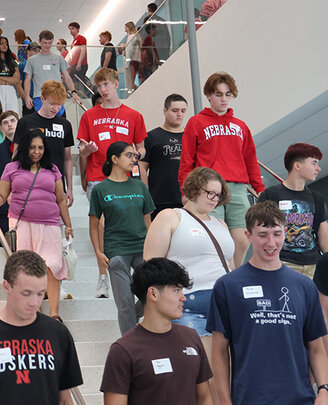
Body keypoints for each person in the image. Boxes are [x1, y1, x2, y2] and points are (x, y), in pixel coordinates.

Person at [207, 201, 328, 405]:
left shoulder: (304, 286)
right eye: (262, 235)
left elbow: (316, 347)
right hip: (249, 398)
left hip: (300, 398)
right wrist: (225, 401)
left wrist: (324, 390)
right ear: (248, 236)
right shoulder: (227, 286)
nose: (271, 243)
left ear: (285, 233)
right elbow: (219, 352)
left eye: (276, 234)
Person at [0, 250, 83, 404]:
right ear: (6, 286)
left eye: (40, 293)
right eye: (26, 293)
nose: (34, 302)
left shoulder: (58, 334)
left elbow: (65, 399)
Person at [143, 167, 234, 384]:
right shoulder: (171, 216)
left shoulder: (220, 223)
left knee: (224, 378)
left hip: (224, 305)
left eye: (218, 195)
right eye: (208, 192)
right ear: (194, 189)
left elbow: (231, 266)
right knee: (199, 377)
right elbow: (151, 264)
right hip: (189, 304)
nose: (213, 199)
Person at [0, 129, 74, 320]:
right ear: (25, 148)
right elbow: (1, 194)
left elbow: (60, 200)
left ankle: (54, 313)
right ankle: (35, 312)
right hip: (21, 223)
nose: (36, 151)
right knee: (27, 267)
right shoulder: (12, 168)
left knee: (53, 266)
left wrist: (68, 224)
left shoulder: (53, 169)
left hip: (49, 224)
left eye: (40, 147)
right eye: (32, 147)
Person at [179, 72, 264, 266]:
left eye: (228, 94)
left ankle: (232, 274)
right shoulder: (196, 122)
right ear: (208, 95)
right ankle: (224, 277)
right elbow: (186, 161)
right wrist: (185, 190)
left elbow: (250, 159)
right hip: (207, 188)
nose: (223, 99)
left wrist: (259, 187)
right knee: (217, 238)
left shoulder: (241, 126)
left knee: (242, 239)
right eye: (218, 94)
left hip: (237, 188)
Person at [101, 257, 213, 404]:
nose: (183, 298)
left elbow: (205, 397)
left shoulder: (191, 337)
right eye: (176, 290)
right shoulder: (123, 350)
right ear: (153, 293)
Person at [77, 67, 147, 298]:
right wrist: (86, 150)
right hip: (99, 177)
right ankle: (103, 275)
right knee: (102, 225)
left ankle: (128, 273)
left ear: (116, 83)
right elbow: (81, 151)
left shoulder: (134, 116)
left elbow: (142, 148)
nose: (103, 90)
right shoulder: (89, 116)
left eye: (106, 84)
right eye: (99, 86)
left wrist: (137, 155)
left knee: (127, 225)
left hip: (127, 179)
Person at [89, 142, 154, 335]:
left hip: (142, 248)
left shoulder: (140, 186)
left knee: (152, 293)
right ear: (114, 159)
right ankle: (130, 346)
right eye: (129, 155)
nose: (133, 159)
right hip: (116, 251)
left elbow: (149, 222)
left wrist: (153, 249)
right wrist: (98, 253)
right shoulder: (101, 189)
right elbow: (93, 226)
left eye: (134, 156)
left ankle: (132, 321)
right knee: (124, 303)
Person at [258, 143, 327, 277]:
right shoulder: (271, 195)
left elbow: (323, 235)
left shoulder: (316, 198)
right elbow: (260, 232)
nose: (318, 168)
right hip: (282, 263)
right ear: (297, 165)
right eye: (314, 163)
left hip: (312, 265)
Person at [14, 81, 75, 207]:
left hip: (56, 185)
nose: (56, 108)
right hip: (29, 184)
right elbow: (15, 155)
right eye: (52, 104)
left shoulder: (65, 125)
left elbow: (67, 159)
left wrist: (69, 188)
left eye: (59, 105)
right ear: (42, 98)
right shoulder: (26, 122)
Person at [138, 94, 187, 218]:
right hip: (159, 199)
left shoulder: (191, 136)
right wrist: (145, 194)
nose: (179, 114)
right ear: (165, 111)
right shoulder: (151, 137)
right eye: (175, 110)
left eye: (183, 111)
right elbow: (141, 167)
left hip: (186, 198)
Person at [23, 30, 82, 115]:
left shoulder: (59, 59)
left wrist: (73, 92)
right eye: (45, 43)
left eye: (50, 43)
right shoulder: (32, 60)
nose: (47, 45)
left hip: (57, 98)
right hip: (40, 98)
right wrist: (27, 96)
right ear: (39, 42)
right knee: (42, 126)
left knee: (60, 125)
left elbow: (67, 77)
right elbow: (27, 79)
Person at [0, 36, 24, 114]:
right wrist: (9, 80)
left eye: (6, 44)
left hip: (11, 90)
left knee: (12, 113)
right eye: (1, 43)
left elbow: (17, 79)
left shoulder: (13, 62)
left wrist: (0, 78)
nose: (4, 46)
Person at [18, 42, 40, 116]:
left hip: (40, 101)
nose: (37, 52)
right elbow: (19, 85)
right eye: (34, 50)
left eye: (38, 50)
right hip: (28, 103)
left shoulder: (41, 66)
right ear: (28, 51)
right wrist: (26, 98)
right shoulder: (22, 65)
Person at [67, 22, 88, 97]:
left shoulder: (81, 38)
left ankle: (83, 96)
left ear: (77, 29)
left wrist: (79, 62)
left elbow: (83, 50)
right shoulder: (74, 41)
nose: (71, 30)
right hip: (75, 64)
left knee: (78, 81)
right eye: (70, 29)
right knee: (74, 81)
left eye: (73, 28)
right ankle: (77, 95)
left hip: (81, 64)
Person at [121, 22, 141, 92]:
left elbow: (129, 50)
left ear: (129, 28)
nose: (124, 30)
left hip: (131, 62)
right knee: (132, 82)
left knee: (130, 83)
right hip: (135, 60)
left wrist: (127, 63)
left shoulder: (131, 37)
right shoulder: (135, 36)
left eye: (125, 28)